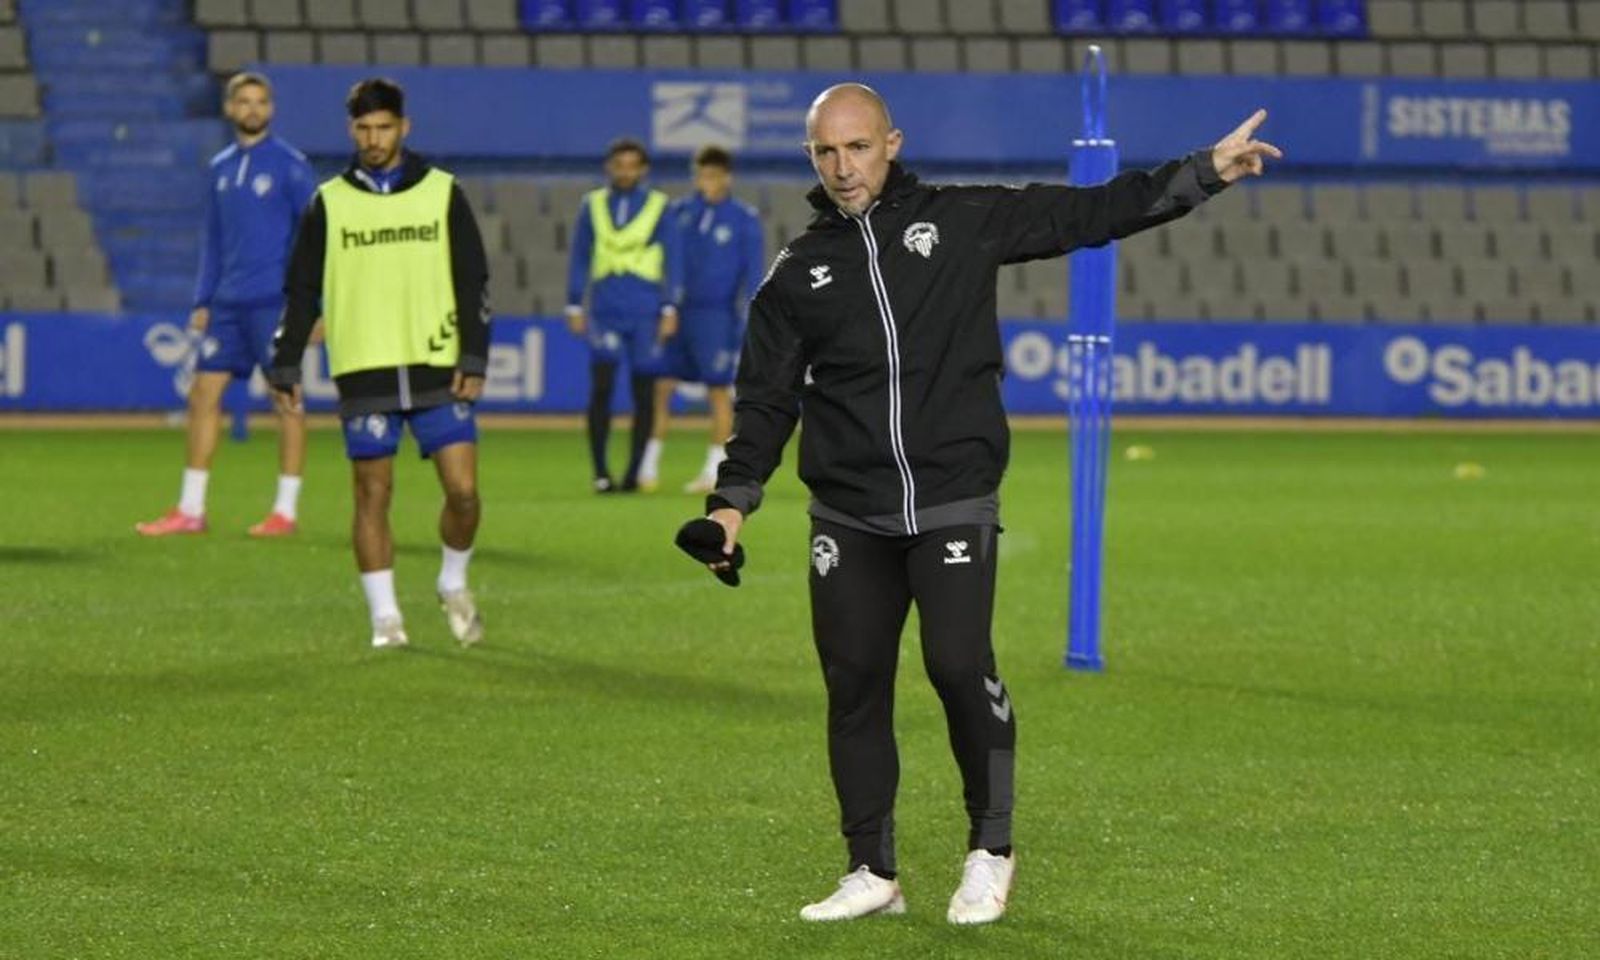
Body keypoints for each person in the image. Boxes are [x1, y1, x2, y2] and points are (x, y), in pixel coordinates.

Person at [685, 83, 1280, 924]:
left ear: (891, 142)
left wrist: (1203, 174)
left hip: (953, 495)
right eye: (826, 151)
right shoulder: (796, 274)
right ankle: (871, 871)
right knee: (854, 685)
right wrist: (730, 506)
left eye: (857, 147)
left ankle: (991, 850)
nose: (842, 166)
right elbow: (765, 402)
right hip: (847, 514)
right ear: (810, 158)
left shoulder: (961, 220)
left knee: (958, 666)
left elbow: (1090, 212)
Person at [267, 78, 490, 650]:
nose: (373, 138)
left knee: (464, 493)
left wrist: (474, 352)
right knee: (372, 493)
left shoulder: (442, 192)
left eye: (383, 127)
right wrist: (286, 360)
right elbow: (302, 289)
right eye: (364, 129)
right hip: (363, 366)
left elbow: (472, 279)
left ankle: (451, 580)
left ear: (403, 128)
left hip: (437, 364)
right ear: (351, 131)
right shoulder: (329, 202)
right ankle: (385, 617)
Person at [137, 72, 316, 538]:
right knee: (202, 394)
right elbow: (213, 242)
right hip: (228, 307)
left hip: (274, 304)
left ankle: (285, 512)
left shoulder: (291, 166)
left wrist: (313, 305)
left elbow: (317, 238)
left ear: (271, 110)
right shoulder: (219, 167)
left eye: (261, 101)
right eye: (244, 101)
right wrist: (203, 298)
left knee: (287, 399)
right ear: (230, 108)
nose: (253, 109)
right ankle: (191, 510)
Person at [638, 145, 764, 494]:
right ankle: (647, 467)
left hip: (717, 316)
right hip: (677, 313)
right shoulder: (677, 212)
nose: (705, 182)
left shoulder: (744, 218)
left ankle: (713, 471)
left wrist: (750, 320)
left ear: (727, 177)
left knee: (718, 392)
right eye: (700, 175)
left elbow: (754, 276)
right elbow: (658, 262)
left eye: (712, 175)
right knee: (661, 387)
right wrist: (665, 306)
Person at [565, 137, 678, 493]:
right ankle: (601, 472)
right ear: (609, 168)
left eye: (632, 166)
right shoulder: (593, 205)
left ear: (643, 169)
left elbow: (673, 260)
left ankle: (632, 474)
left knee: (643, 392)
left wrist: (669, 307)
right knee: (601, 389)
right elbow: (581, 256)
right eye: (619, 165)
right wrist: (573, 303)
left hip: (645, 310)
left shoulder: (660, 206)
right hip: (605, 308)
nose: (625, 172)